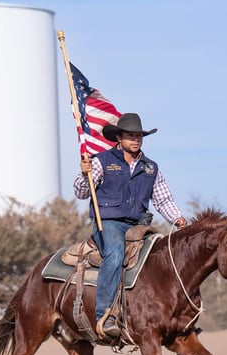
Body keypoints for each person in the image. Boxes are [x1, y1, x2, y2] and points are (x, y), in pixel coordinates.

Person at [74, 112, 187, 339]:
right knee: (115, 255)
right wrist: (85, 175)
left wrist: (177, 219)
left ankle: (166, 314)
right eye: (130, 135)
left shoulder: (150, 167)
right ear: (119, 137)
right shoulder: (101, 161)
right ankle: (105, 315)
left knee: (161, 258)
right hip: (109, 224)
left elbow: (163, 199)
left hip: (139, 226)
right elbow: (81, 192)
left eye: (139, 136)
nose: (136, 140)